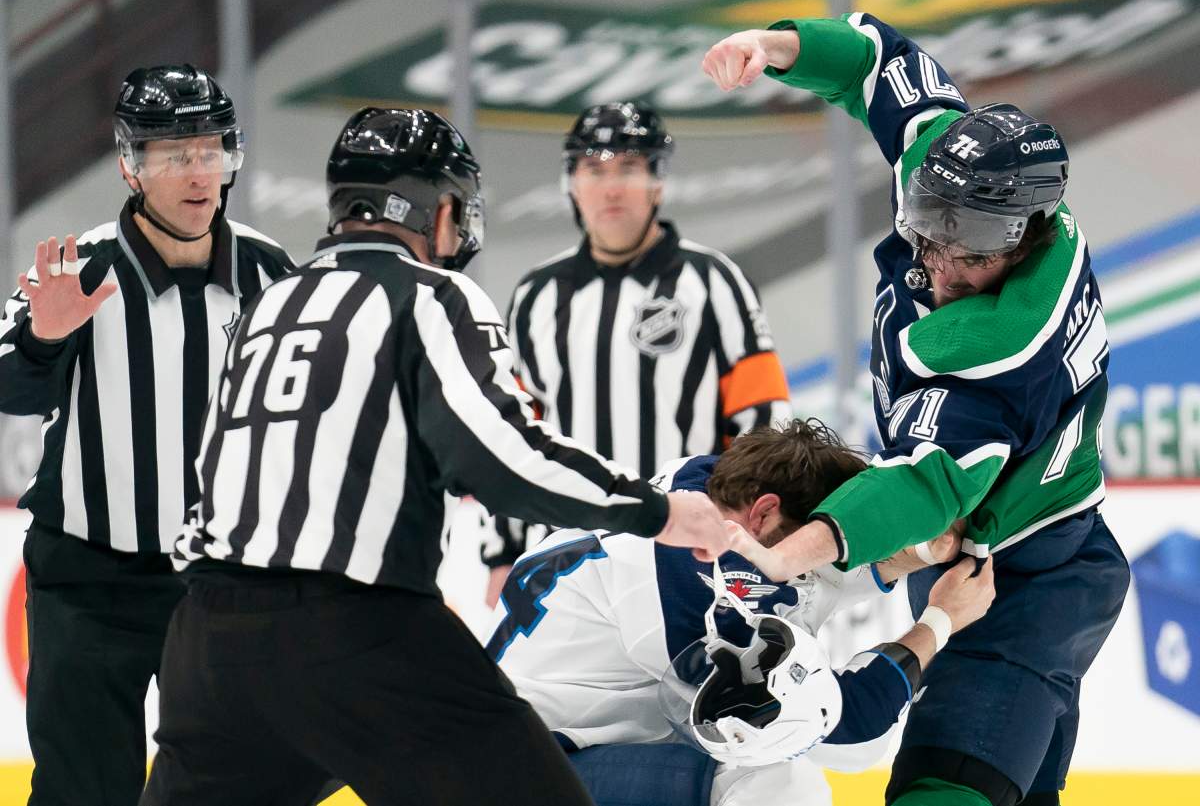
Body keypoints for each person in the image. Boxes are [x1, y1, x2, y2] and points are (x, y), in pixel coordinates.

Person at [140, 107, 735, 806]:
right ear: (434, 208)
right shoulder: (431, 295)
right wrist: (659, 510)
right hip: (353, 631)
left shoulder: (268, 305)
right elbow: (507, 456)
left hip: (206, 644)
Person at [702, 12, 1129, 806]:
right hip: (996, 559)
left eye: (969, 251)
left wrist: (785, 557)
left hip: (1025, 581)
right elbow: (878, 62)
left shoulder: (1003, 356)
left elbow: (923, 484)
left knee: (939, 791)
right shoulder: (951, 177)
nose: (936, 261)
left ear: (1024, 240)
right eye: (928, 231)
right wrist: (775, 47)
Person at [0, 64, 293, 805]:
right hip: (86, 582)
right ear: (132, 164)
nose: (200, 174)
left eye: (212, 151)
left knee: (243, 784)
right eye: (175, 154)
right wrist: (41, 337)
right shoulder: (77, 269)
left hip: (219, 582)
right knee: (83, 790)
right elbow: (9, 389)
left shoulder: (269, 275)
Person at [488, 419, 995, 806]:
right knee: (776, 781)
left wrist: (917, 549)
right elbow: (843, 730)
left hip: (528, 759)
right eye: (816, 543)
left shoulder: (702, 489)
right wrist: (937, 623)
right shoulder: (701, 579)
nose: (812, 562)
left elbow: (813, 577)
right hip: (529, 782)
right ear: (765, 510)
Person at [482, 101, 792, 602]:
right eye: (594, 169)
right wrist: (502, 553)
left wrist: (750, 532)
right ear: (572, 184)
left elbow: (762, 420)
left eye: (629, 167)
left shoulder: (714, 282)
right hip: (566, 552)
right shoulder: (535, 295)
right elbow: (512, 432)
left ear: (658, 182)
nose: (611, 187)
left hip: (689, 550)